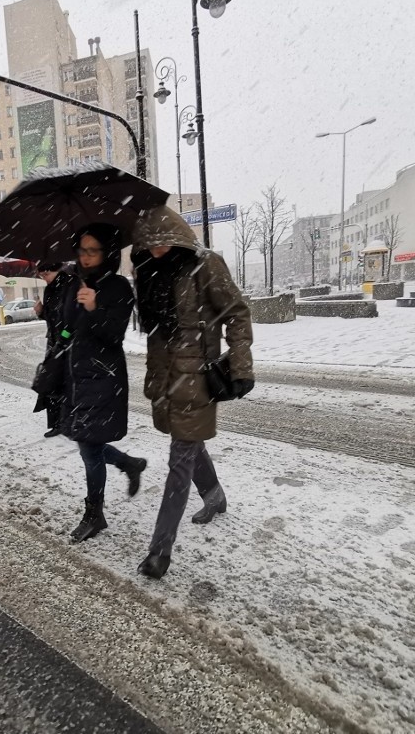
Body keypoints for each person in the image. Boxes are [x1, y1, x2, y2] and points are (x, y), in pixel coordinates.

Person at [131, 205, 254, 579]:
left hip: (197, 379)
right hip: (166, 378)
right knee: (188, 441)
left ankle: (159, 550)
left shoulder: (206, 265)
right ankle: (215, 496)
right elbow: (154, 334)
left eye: (161, 243)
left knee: (178, 462)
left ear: (177, 236)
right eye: (148, 245)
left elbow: (237, 312)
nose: (155, 251)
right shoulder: (147, 273)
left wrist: (241, 364)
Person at [59, 224, 147, 543]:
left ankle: (94, 514)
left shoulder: (119, 287)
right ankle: (129, 463)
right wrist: (63, 332)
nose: (85, 256)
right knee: (88, 443)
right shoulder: (75, 283)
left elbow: (113, 335)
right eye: (81, 250)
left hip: (103, 377)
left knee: (88, 447)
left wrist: (95, 308)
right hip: (76, 375)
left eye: (92, 250)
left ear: (107, 253)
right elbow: (68, 327)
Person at [33, 260, 78, 437]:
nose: (44, 279)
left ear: (56, 270)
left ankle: (72, 422)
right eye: (41, 276)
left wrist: (65, 338)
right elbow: (52, 317)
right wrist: (41, 312)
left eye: (46, 274)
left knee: (69, 383)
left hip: (69, 342)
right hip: (53, 341)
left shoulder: (71, 285)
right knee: (50, 382)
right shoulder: (49, 289)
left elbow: (72, 318)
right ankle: (57, 423)